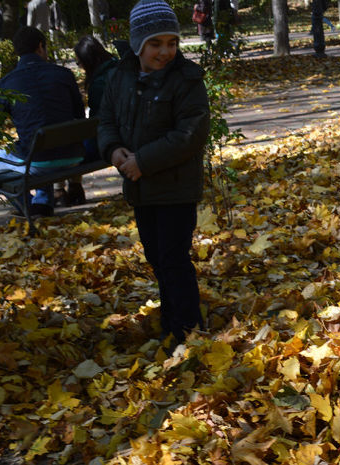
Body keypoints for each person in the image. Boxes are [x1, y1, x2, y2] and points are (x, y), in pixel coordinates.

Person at [97, 0, 210, 345]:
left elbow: (189, 135)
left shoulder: (186, 80)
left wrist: (142, 161)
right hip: (141, 188)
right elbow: (106, 121)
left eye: (172, 43)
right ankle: (171, 321)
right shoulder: (119, 77)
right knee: (156, 257)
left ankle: (187, 329)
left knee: (173, 258)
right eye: (156, 44)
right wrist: (114, 150)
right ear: (138, 44)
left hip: (175, 188)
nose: (165, 52)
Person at [0, 26, 86, 217]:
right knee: (37, 145)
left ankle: (27, 205)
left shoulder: (6, 83)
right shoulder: (64, 74)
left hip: (37, 161)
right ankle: (43, 202)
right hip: (74, 156)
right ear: (41, 46)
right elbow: (79, 114)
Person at [53, 35, 118, 207]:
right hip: (127, 133)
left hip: (109, 142)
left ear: (87, 61)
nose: (79, 67)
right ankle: (74, 187)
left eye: (79, 62)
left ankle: (59, 189)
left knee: (67, 146)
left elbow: (99, 122)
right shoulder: (120, 68)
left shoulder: (98, 83)